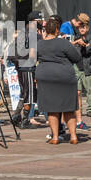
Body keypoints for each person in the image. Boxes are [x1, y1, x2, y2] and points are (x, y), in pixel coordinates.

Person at [34, 17, 83, 146]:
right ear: (57, 30)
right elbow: (76, 57)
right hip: (64, 76)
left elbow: (32, 58)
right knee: (69, 108)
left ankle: (55, 137)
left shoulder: (39, 44)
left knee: (51, 109)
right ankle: (73, 136)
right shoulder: (63, 43)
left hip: (45, 76)